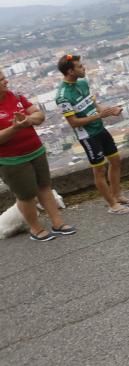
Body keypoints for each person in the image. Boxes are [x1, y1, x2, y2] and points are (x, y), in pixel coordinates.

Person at [55, 54, 129, 215]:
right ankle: (112, 204)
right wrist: (100, 116)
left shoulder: (83, 83)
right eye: (80, 66)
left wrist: (110, 111)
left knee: (116, 161)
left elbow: (94, 104)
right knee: (99, 171)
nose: (84, 68)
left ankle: (118, 195)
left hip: (100, 129)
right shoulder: (63, 96)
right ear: (70, 71)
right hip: (88, 135)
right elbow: (73, 122)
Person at [0, 70, 74, 241]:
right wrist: (15, 128)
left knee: (44, 187)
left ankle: (58, 223)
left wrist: (29, 120)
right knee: (26, 195)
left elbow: (39, 114)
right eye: (1, 79)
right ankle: (36, 229)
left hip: (35, 150)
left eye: (4, 77)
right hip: (13, 160)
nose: (6, 81)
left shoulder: (16, 97)